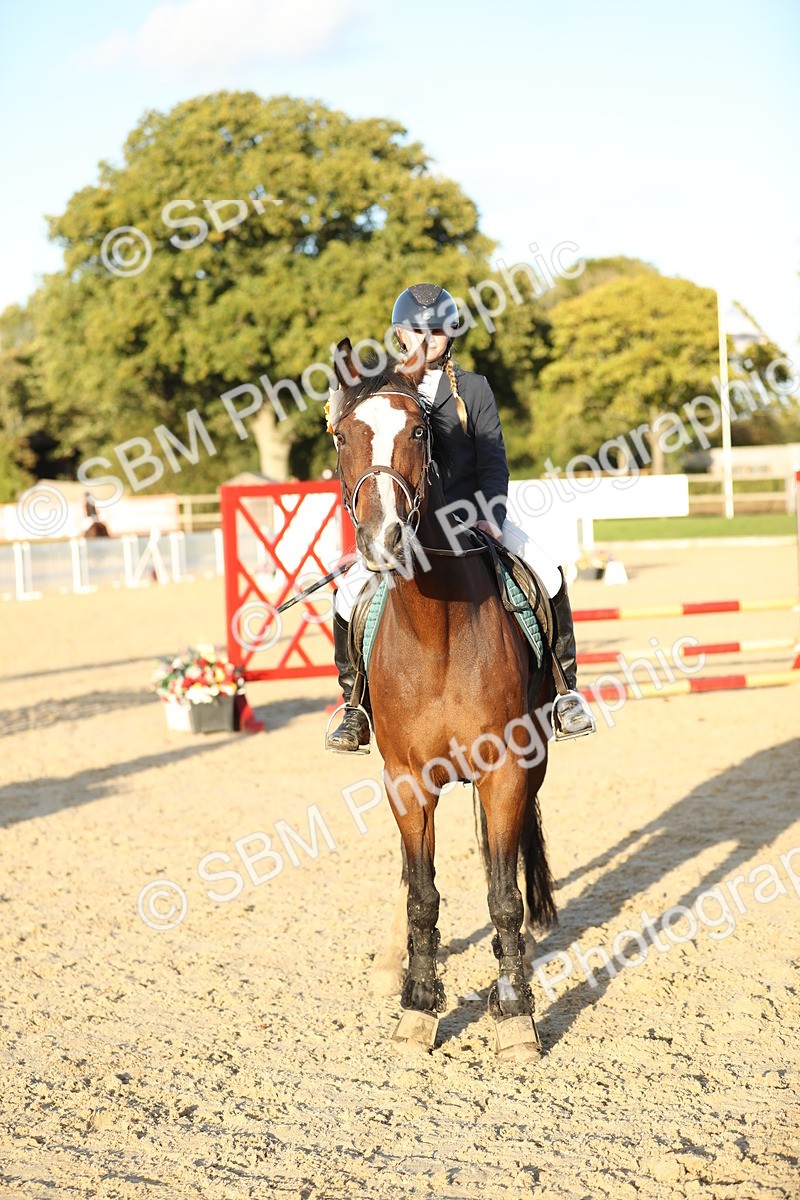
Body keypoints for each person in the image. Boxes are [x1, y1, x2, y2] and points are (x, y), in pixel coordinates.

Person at [326, 282, 596, 752]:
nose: (427, 341)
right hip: (403, 523)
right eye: (416, 332)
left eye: (437, 332)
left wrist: (492, 514)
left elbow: (493, 460)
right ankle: (355, 705)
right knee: (348, 595)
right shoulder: (383, 389)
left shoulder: (473, 388)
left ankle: (565, 692)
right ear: (398, 334)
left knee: (548, 571)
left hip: (472, 517)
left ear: (451, 334)